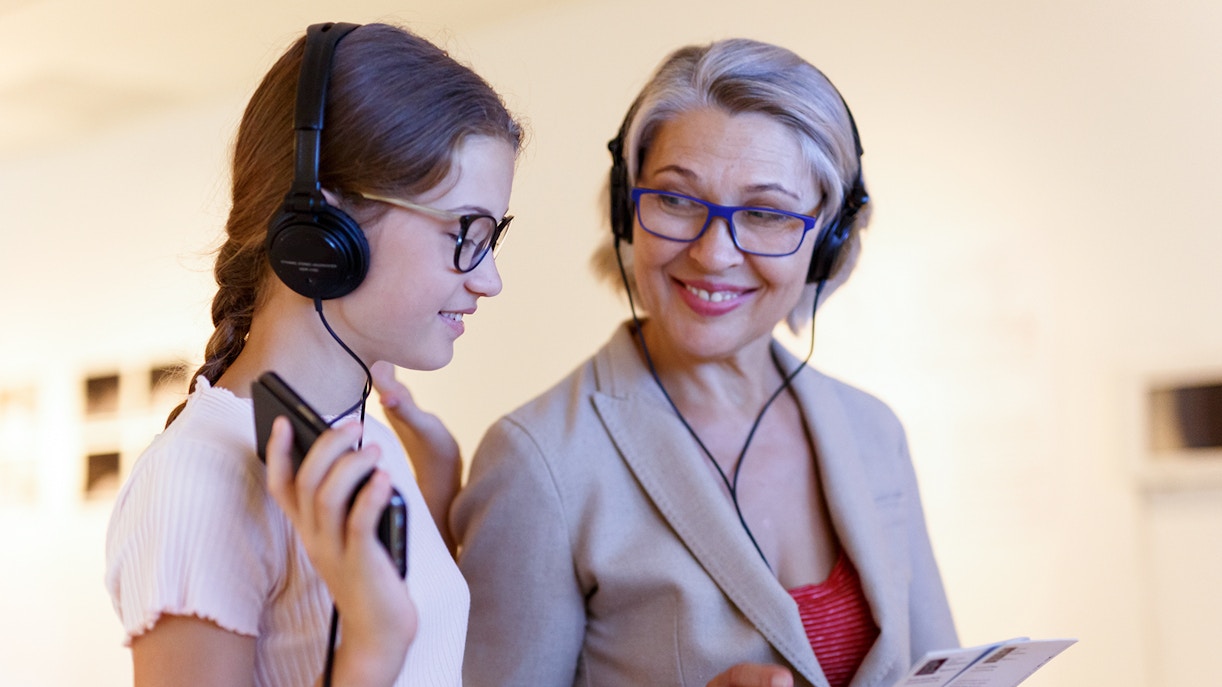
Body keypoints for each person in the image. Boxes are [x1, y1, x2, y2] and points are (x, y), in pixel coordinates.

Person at [452, 38, 957, 687]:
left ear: (828, 241)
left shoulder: (873, 430)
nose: (714, 253)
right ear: (626, 211)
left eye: (768, 213)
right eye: (676, 199)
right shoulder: (541, 459)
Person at [105, 21, 521, 686]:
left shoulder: (365, 446)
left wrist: (436, 497)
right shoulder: (196, 481)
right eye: (465, 231)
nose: (488, 279)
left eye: (492, 236)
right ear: (327, 228)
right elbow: (384, 644)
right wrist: (372, 645)